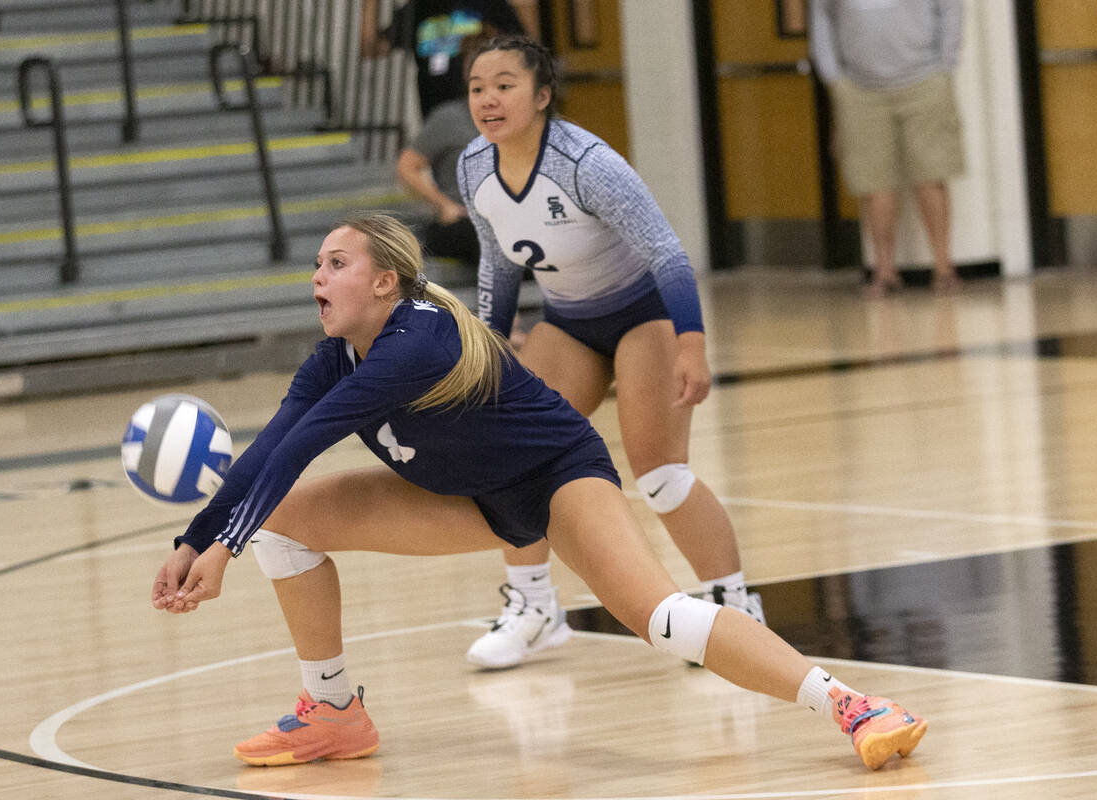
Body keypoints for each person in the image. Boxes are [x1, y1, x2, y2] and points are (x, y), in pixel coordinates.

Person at [150, 211, 928, 772]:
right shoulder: (334, 358)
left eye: (336, 263)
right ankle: (334, 713)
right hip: (469, 498)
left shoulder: (418, 339)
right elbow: (272, 453)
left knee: (659, 616)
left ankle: (852, 706)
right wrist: (194, 541)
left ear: (385, 279)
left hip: (557, 477)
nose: (317, 277)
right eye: (316, 266)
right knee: (283, 523)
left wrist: (220, 554)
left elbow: (308, 443)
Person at [456, 35, 764, 670]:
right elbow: (500, 266)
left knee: (659, 474)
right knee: (514, 458)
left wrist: (691, 344)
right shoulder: (472, 167)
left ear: (542, 97)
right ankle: (536, 609)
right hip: (567, 321)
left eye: (505, 85)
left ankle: (735, 608)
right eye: (477, 87)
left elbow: (667, 253)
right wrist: (487, 354)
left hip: (642, 315)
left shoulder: (586, 163)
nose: (488, 99)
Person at [809, 0, 965, 297]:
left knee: (931, 175)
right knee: (873, 182)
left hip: (924, 82)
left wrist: (944, 66)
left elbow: (950, 8)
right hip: (859, 89)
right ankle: (884, 272)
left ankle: (944, 269)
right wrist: (833, 76)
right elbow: (822, 19)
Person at [360, 0, 538, 119]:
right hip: (436, 116)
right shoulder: (419, 7)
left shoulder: (489, 4)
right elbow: (372, 49)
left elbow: (526, 50)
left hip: (486, 114)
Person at [397, 97, 481, 268]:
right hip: (463, 220)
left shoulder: (527, 118)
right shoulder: (451, 118)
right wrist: (444, 205)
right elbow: (407, 165)